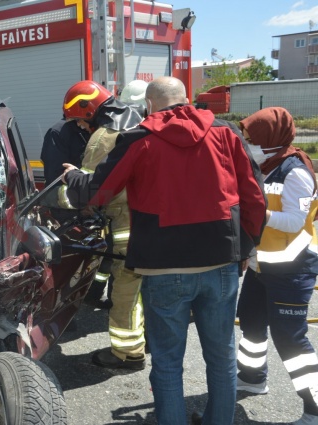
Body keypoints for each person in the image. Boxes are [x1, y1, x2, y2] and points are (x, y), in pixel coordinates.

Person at [62, 76, 267, 424]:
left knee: (169, 361)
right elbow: (255, 198)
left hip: (163, 267)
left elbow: (97, 192)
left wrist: (72, 177)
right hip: (221, 261)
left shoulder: (139, 139)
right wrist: (245, 248)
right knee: (221, 357)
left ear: (149, 107)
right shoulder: (225, 132)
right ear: (187, 100)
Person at [236, 107, 318, 425]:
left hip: (291, 270)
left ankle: (313, 407)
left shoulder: (295, 171)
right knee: (252, 326)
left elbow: (295, 221)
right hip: (263, 266)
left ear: (271, 140)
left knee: (291, 339)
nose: (247, 144)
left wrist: (256, 213)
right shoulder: (265, 167)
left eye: (252, 139)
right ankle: (252, 379)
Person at [61, 79, 148, 370]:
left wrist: (69, 182)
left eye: (79, 122)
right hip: (152, 224)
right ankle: (147, 342)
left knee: (125, 292)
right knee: (147, 292)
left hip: (124, 228)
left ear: (88, 110)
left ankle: (127, 354)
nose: (81, 128)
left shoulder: (103, 137)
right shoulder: (141, 124)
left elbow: (89, 192)